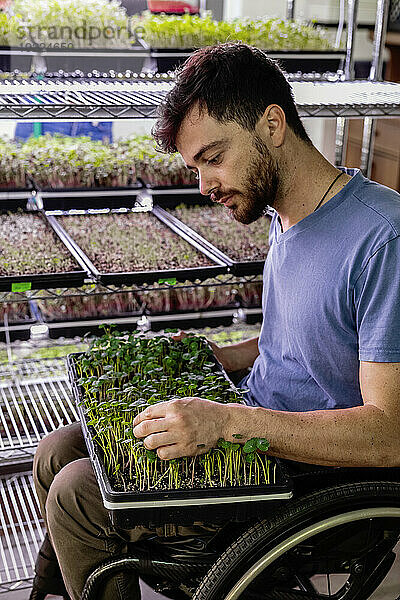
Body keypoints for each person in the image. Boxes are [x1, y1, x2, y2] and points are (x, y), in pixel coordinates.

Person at [31, 42, 400, 600]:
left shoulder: (382, 239)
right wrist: (222, 358)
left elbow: (388, 435)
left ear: (272, 124)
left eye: (212, 157)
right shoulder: (291, 214)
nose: (203, 186)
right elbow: (303, 342)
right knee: (58, 449)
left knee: (79, 492)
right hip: (258, 430)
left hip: (308, 479)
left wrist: (224, 424)